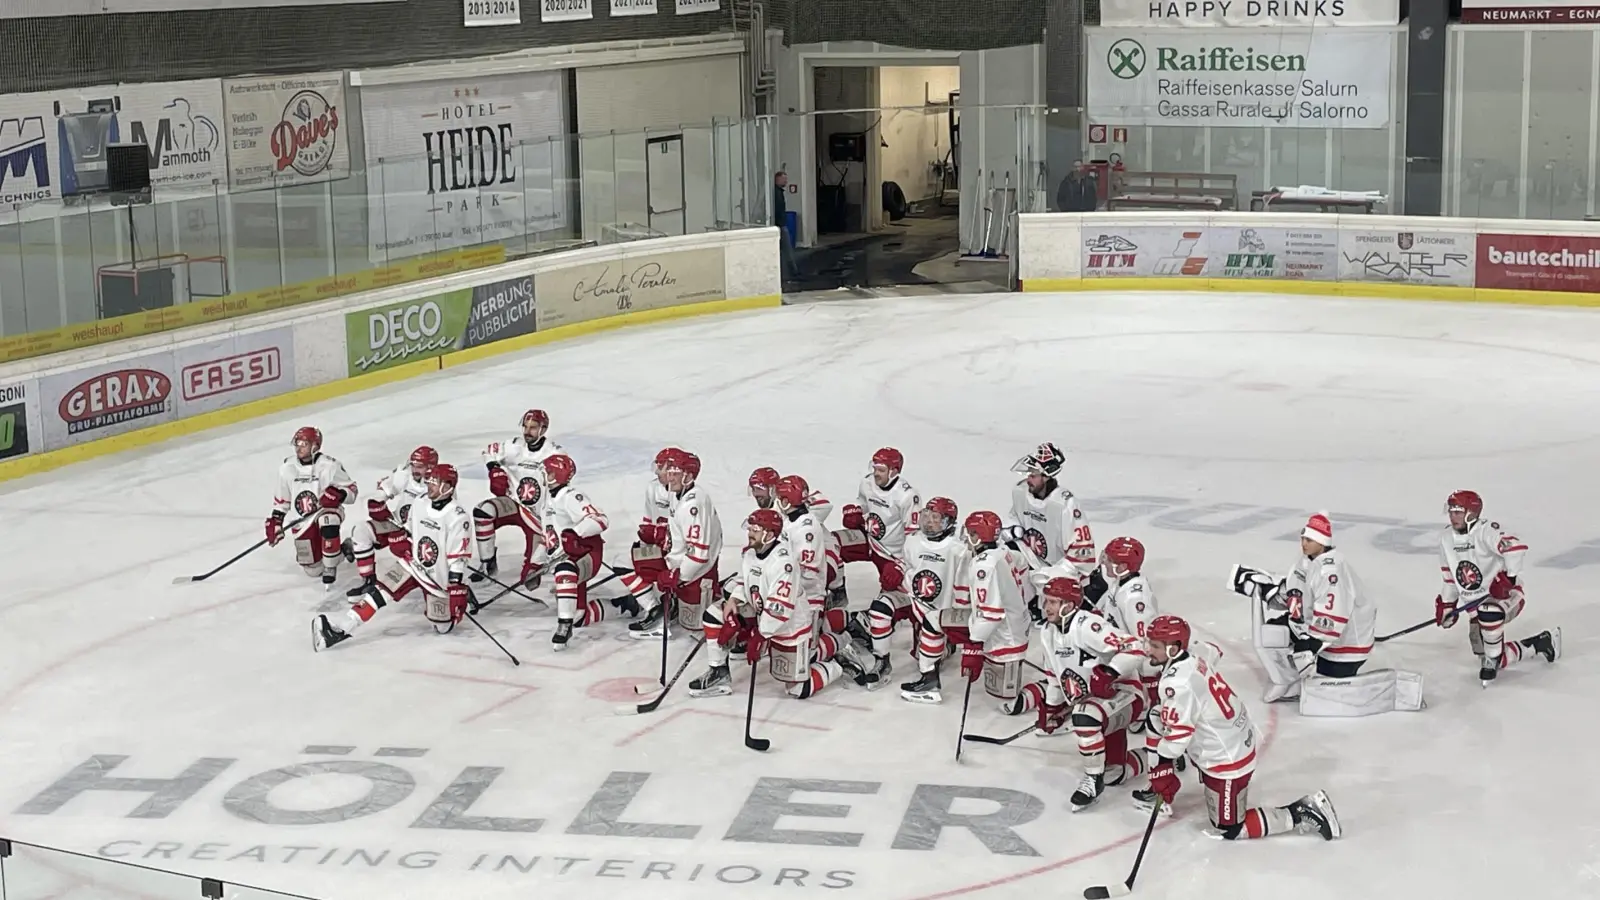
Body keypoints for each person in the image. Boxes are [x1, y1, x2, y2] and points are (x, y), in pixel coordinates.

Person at [1137, 613, 1342, 842]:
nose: (1148, 650)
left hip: (1227, 758)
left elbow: (1176, 737)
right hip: (1233, 735)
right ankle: (1156, 787)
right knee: (1157, 716)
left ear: (1173, 649)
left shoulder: (1177, 684)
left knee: (1229, 828)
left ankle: (1301, 812)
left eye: (1154, 645)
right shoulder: (1194, 655)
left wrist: (1164, 767)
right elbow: (1214, 650)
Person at [1229, 512, 1418, 717]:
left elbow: (1333, 616)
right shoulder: (1306, 562)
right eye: (1303, 538)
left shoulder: (1332, 571)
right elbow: (1298, 592)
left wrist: (1311, 643)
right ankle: (1287, 681)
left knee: (1326, 673)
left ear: (1322, 542)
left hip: (1347, 643)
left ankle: (1312, 674)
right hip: (1314, 628)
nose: (1303, 543)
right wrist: (1273, 592)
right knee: (1272, 634)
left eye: (1309, 540)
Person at [314, 463, 472, 650]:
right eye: (429, 481)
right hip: (412, 564)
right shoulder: (420, 502)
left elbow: (457, 557)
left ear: (447, 487)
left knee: (443, 627)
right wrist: (401, 540)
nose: (429, 485)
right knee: (381, 592)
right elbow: (410, 531)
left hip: (437, 579)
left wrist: (455, 585)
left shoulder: (457, 517)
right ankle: (341, 628)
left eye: (434, 482)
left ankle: (462, 604)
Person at [1435, 490, 1560, 685]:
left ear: (1472, 513)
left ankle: (1491, 658)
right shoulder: (1446, 539)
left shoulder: (1486, 531)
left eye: (1458, 511)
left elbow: (1515, 548)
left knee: (1489, 613)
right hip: (1475, 605)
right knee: (1488, 652)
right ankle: (1541, 643)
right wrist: (1448, 605)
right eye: (1451, 511)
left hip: (1507, 596)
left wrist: (1508, 580)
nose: (1453, 516)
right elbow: (1450, 579)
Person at [473, 410, 564, 587]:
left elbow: (564, 478)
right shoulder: (514, 446)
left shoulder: (554, 453)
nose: (527, 431)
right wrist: (494, 469)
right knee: (483, 511)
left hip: (540, 518)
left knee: (530, 580)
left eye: (533, 428)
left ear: (543, 429)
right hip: (514, 504)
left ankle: (535, 565)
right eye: (525, 427)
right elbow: (489, 451)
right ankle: (488, 563)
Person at [266, 426, 357, 588]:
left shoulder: (329, 465)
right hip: (301, 521)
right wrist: (276, 521)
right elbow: (282, 500)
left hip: (325, 511)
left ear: (315, 446)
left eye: (304, 444)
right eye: (297, 443)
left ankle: (331, 567)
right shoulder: (287, 468)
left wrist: (339, 495)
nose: (299, 448)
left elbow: (352, 491)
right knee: (313, 570)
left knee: (328, 520)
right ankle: (345, 549)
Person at [343, 446, 437, 598]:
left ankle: (434, 587)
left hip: (423, 534)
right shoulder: (405, 474)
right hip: (396, 523)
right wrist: (378, 503)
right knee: (361, 530)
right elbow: (386, 488)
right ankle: (369, 581)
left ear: (430, 467)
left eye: (419, 466)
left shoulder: (440, 483)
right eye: (413, 465)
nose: (414, 469)